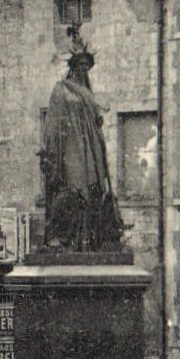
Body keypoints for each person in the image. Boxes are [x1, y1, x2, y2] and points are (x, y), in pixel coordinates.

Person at [41, 29, 124, 251]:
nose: (83, 69)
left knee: (93, 190)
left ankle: (89, 240)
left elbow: (95, 123)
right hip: (70, 147)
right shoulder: (61, 90)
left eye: (87, 66)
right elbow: (52, 123)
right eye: (80, 65)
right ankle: (61, 237)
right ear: (73, 66)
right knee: (72, 189)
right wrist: (50, 150)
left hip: (90, 147)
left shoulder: (88, 94)